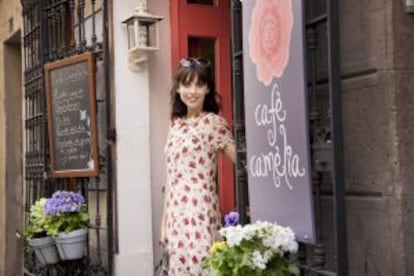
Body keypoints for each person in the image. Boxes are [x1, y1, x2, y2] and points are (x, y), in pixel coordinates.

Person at [160, 57, 236, 275]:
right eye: (186, 84)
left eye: (199, 84)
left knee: (201, 267)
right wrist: (163, 223)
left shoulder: (213, 123)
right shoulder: (175, 125)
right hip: (176, 213)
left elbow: (242, 163)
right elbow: (171, 177)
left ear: (207, 89)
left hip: (200, 210)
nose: (192, 91)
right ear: (178, 89)